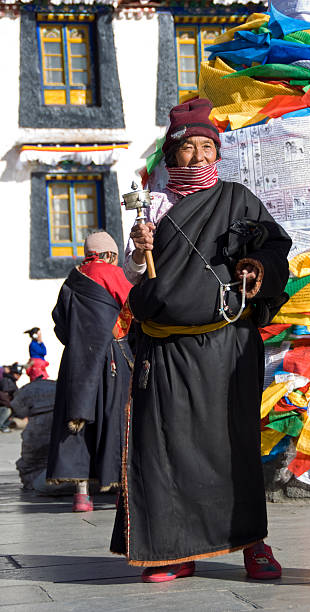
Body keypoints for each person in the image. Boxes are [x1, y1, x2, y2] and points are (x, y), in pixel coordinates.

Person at [110, 98, 291, 582]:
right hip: (165, 348)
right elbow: (135, 273)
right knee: (165, 447)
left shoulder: (238, 199)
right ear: (172, 156)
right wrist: (137, 251)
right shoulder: (153, 202)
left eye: (207, 147)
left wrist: (257, 267)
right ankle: (173, 550)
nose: (200, 157)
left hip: (225, 346)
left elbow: (276, 245)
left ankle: (253, 544)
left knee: (231, 446)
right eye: (188, 148)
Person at [46, 230, 134, 512]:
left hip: (75, 362)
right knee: (116, 420)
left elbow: (60, 323)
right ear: (109, 254)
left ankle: (82, 496)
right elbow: (135, 309)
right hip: (110, 358)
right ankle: (122, 492)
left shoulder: (71, 280)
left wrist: (80, 344)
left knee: (79, 424)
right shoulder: (113, 274)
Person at [12, 360, 56, 489]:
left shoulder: (27, 389)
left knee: (31, 459)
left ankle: (32, 482)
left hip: (37, 424)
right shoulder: (56, 385)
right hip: (57, 423)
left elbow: (18, 410)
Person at [0, 363, 23, 433]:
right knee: (8, 410)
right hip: (3, 405)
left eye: (19, 374)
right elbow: (3, 397)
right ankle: (2, 426)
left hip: (6, 403)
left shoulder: (12, 381)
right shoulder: (6, 381)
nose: (18, 376)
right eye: (16, 374)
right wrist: (11, 405)